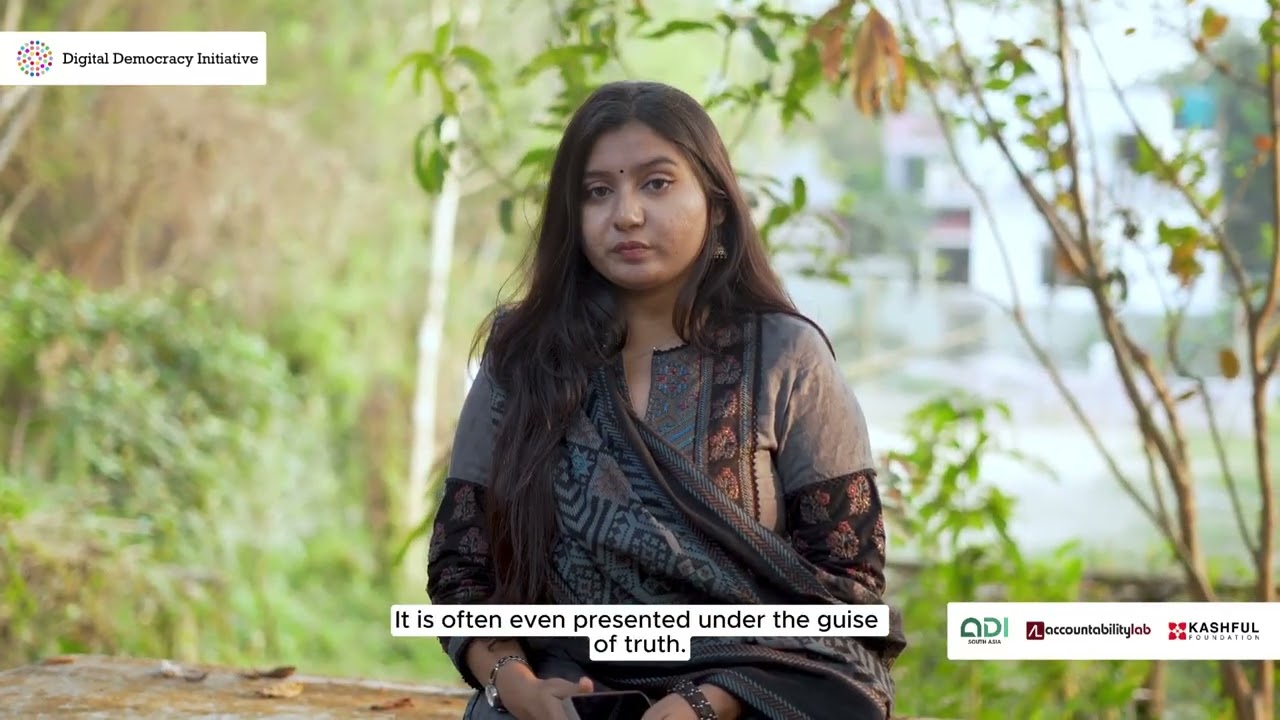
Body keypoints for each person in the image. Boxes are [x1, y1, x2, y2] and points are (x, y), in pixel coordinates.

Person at [426, 79, 906, 720]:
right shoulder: (524, 358)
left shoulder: (787, 357)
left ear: (716, 202)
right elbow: (462, 567)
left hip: (747, 694)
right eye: (598, 191)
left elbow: (848, 593)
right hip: (559, 697)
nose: (626, 214)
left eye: (656, 183)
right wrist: (513, 684)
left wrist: (712, 702)